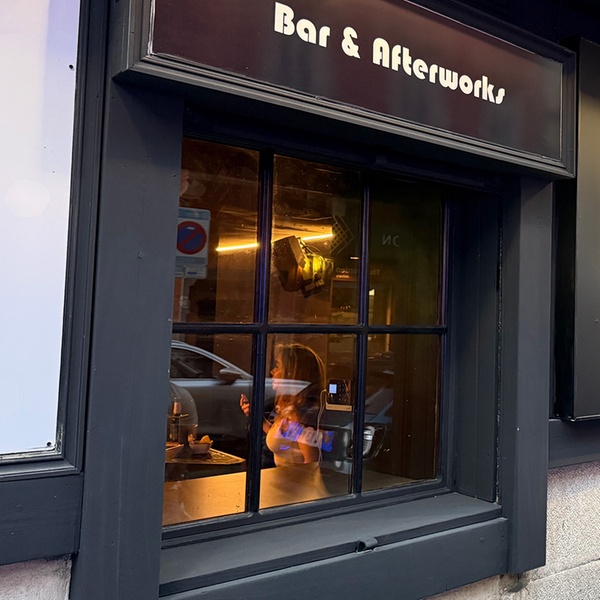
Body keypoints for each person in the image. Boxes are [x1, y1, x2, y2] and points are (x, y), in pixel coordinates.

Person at [240, 343, 326, 467]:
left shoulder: (301, 415)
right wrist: (257, 417)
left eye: (277, 366)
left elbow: (311, 466)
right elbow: (282, 438)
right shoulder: (291, 409)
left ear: (292, 373)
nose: (272, 371)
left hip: (293, 479)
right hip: (282, 478)